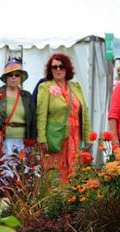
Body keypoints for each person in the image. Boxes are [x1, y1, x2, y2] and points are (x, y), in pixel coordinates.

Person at [36, 53, 92, 183]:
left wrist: (88, 135)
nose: (58, 70)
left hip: (75, 138)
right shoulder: (45, 87)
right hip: (56, 138)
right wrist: (41, 138)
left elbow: (84, 112)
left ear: (67, 68)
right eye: (54, 67)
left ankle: (72, 200)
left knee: (75, 173)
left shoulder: (76, 87)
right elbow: (41, 114)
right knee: (55, 174)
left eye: (61, 66)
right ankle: (56, 201)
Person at [0, 58, 37, 155]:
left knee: (22, 169)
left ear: (21, 78)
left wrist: (34, 141)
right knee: (3, 169)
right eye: (10, 74)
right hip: (2, 140)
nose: (13, 77)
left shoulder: (27, 96)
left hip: (23, 141)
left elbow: (33, 120)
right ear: (5, 77)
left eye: (17, 75)